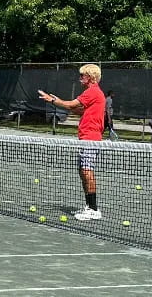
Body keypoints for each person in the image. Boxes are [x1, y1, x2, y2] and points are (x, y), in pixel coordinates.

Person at [38, 64, 105, 221]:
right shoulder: (92, 93)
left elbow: (70, 104)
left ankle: (94, 209)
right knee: (83, 171)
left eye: (83, 75)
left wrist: (53, 100)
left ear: (91, 77)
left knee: (87, 171)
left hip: (90, 138)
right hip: (86, 137)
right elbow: (79, 110)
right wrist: (63, 104)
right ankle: (89, 206)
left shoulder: (92, 91)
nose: (80, 78)